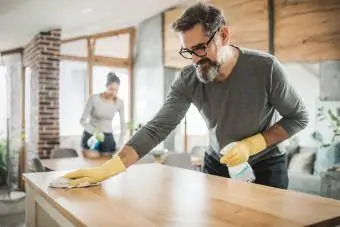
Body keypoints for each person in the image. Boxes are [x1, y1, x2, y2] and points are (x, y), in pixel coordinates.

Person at [63, 2, 309, 188]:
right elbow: (156, 129)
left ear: (223, 36)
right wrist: (107, 169)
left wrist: (251, 144)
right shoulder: (188, 79)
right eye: (187, 51)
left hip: (266, 165)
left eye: (200, 48)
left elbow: (298, 117)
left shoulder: (265, 68)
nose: (194, 59)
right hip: (217, 164)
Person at [80, 72, 126, 158]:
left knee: (105, 166)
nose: (113, 93)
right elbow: (82, 121)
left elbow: (123, 123)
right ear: (106, 86)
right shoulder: (94, 99)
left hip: (108, 138)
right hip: (91, 136)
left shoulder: (119, 103)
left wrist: (120, 142)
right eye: (111, 89)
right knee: (91, 165)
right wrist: (94, 131)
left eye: (116, 90)